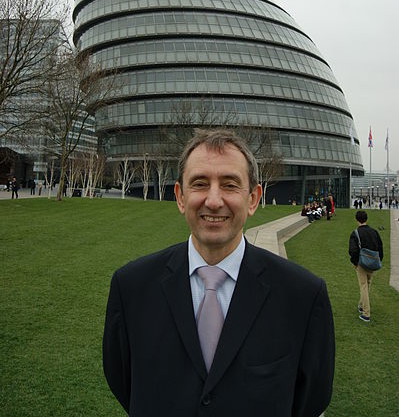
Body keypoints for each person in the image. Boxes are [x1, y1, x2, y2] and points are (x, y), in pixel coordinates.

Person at [103, 129, 335, 417]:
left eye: (229, 185)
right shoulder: (131, 288)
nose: (213, 200)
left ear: (253, 199)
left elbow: (311, 398)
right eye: (200, 184)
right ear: (180, 196)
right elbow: (123, 381)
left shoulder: (303, 296)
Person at [348, 210, 383, 323]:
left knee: (363, 286)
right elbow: (380, 248)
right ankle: (362, 305)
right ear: (366, 219)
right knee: (367, 285)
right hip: (373, 262)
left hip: (362, 263)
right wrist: (378, 260)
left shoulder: (356, 233)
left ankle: (366, 313)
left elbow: (352, 250)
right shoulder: (374, 232)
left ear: (356, 219)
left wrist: (355, 262)